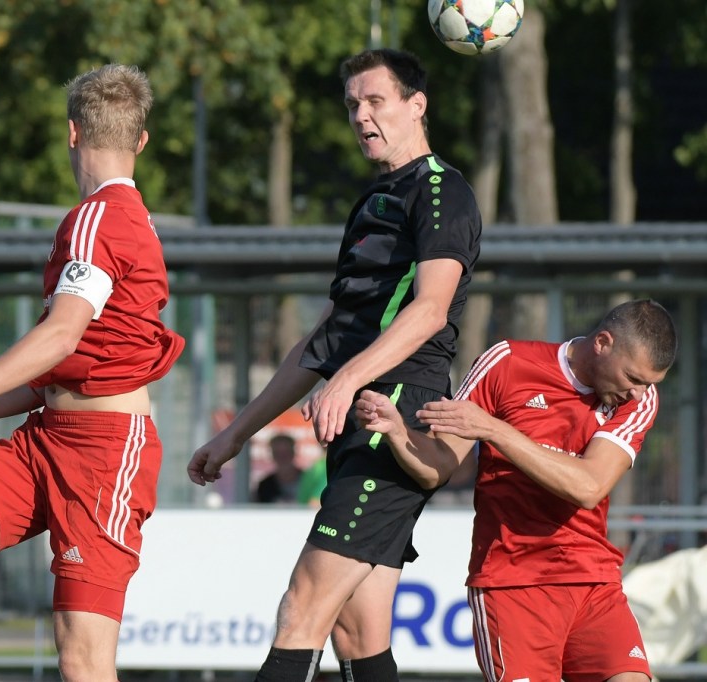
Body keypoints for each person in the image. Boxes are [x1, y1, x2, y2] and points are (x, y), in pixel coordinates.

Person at [0, 63, 184, 682]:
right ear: (142, 140)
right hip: (47, 438)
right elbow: (68, 361)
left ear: (72, 132)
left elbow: (61, 333)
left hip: (103, 455)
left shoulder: (99, 218)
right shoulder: (118, 219)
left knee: (82, 660)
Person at [188, 47, 482, 681]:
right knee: (357, 630)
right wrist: (236, 434)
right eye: (353, 104)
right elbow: (325, 339)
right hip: (360, 417)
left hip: (394, 416)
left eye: (376, 101)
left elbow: (431, 310)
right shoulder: (374, 200)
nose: (361, 115)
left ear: (416, 105)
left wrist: (348, 380)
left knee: (302, 608)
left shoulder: (442, 191)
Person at [355, 298, 676, 682]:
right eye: (633, 378)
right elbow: (437, 467)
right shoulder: (507, 363)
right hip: (512, 583)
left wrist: (495, 430)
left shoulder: (638, 401)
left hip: (593, 582)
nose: (639, 393)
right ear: (603, 343)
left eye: (649, 383)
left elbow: (589, 486)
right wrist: (397, 432)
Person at [256, 434, 304, 503]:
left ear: (293, 453)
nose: (282, 458)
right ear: (273, 455)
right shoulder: (265, 485)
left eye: (286, 453)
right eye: (278, 453)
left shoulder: (308, 479)